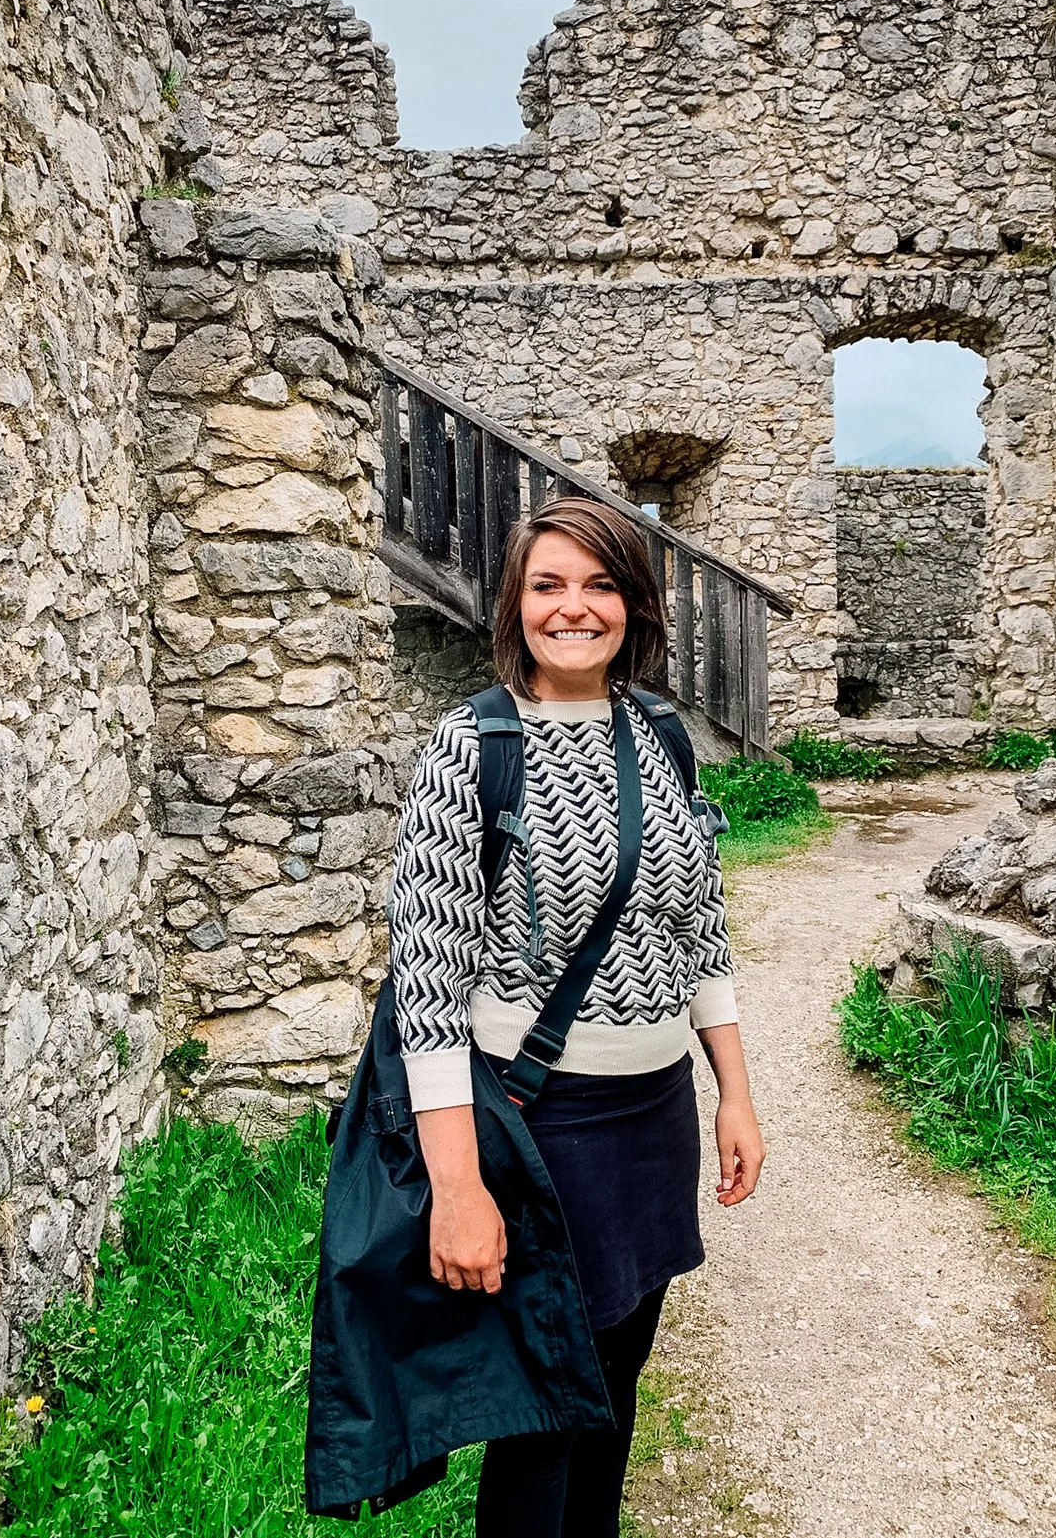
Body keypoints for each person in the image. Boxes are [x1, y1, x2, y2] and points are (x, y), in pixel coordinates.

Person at [384, 495, 766, 1538]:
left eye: (599, 584)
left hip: (654, 1115)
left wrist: (733, 1092)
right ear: (514, 603)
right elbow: (426, 991)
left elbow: (700, 930)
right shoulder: (470, 749)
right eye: (547, 584)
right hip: (540, 1122)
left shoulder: (662, 737)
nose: (574, 608)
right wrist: (458, 1188)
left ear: (633, 606)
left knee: (617, 1375)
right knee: (545, 1407)